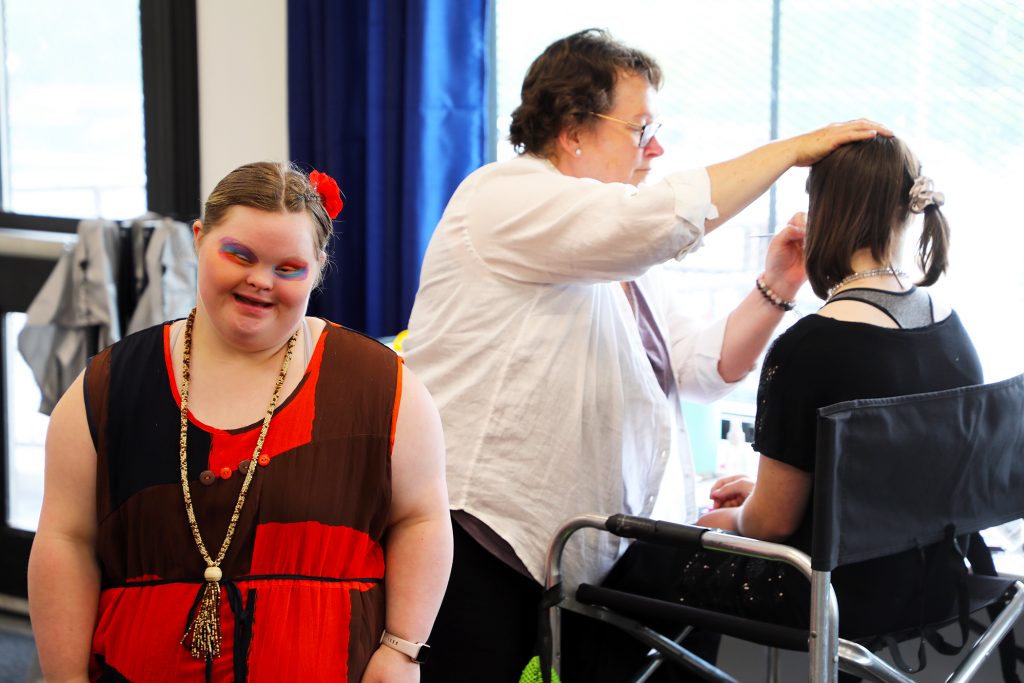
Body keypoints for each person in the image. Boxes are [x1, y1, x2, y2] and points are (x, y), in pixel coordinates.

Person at [401, 27, 890, 681]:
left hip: (567, 553)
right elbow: (655, 222)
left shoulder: (615, 249)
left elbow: (702, 366)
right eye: (640, 129)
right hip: (480, 538)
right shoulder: (502, 195)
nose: (655, 148)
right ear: (573, 130)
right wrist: (796, 149)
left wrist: (778, 284)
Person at [27, 161, 453, 682]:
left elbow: (422, 519)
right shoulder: (109, 385)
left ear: (317, 268)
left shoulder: (382, 387)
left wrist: (401, 649)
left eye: (288, 268)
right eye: (240, 256)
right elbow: (65, 540)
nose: (260, 282)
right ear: (200, 239)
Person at [593, 135, 981, 680]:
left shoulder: (811, 346)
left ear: (826, 210)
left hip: (834, 592)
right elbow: (893, 482)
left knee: (640, 568)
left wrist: (726, 518)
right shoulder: (949, 327)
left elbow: (770, 526)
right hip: (934, 579)